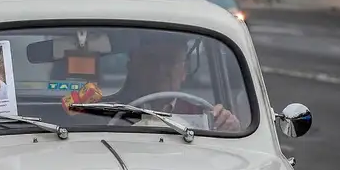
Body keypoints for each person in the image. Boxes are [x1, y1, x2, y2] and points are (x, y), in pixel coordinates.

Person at [101, 34, 241, 132]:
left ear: (184, 71)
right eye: (151, 60)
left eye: (170, 60)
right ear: (133, 67)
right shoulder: (107, 113)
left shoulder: (203, 117)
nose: (160, 69)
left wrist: (228, 125)